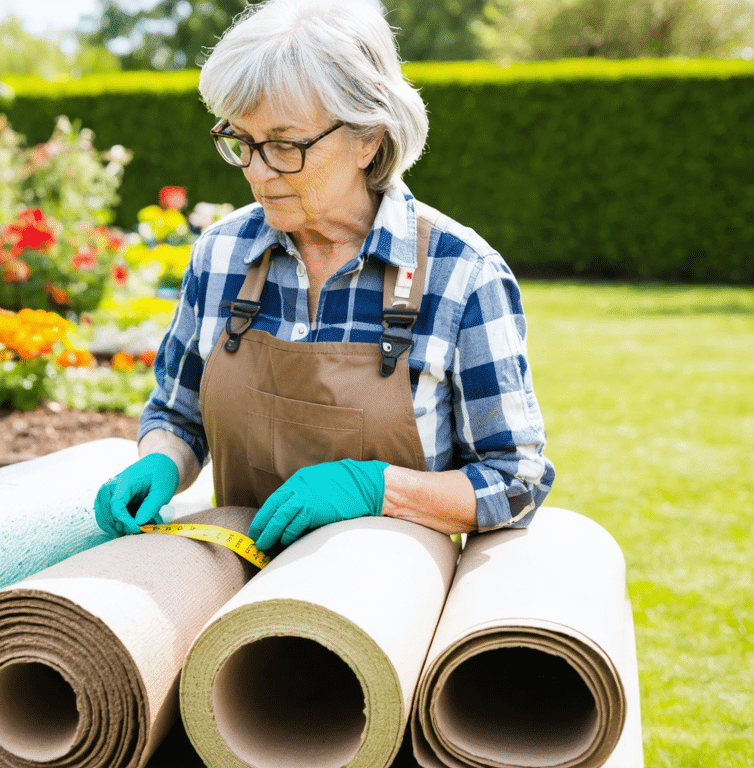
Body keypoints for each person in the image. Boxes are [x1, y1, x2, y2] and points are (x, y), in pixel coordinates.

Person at [94, 0, 554, 551]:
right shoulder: (219, 256)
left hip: (383, 606)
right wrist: (162, 462)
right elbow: (178, 413)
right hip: (238, 593)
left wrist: (375, 489)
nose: (259, 172)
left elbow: (515, 481)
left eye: (285, 145)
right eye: (241, 141)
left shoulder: (462, 276)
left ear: (368, 136)